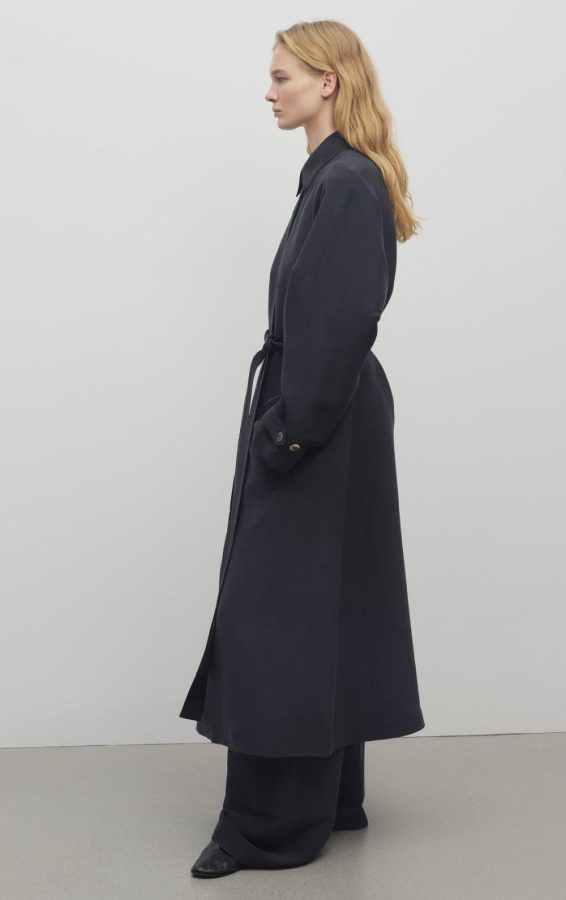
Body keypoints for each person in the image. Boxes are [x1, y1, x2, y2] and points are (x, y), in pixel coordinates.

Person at [179, 19, 426, 878]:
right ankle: (331, 801)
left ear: (328, 81)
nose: (270, 90)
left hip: (321, 420)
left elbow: (344, 318)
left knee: (279, 619)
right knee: (316, 608)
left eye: (282, 76)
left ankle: (269, 828)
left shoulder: (347, 181)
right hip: (325, 414)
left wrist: (287, 431)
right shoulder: (334, 176)